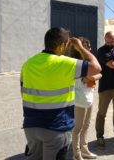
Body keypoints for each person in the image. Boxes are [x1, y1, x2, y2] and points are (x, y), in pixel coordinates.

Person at [21, 27, 101, 160]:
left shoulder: (28, 64)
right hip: (56, 128)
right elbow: (96, 67)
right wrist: (81, 47)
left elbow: (22, 92)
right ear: (62, 44)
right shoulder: (65, 63)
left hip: (31, 127)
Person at [67, 37, 102, 160]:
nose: (90, 49)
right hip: (78, 99)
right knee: (77, 128)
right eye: (87, 46)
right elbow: (97, 72)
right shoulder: (74, 63)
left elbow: (99, 72)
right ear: (79, 48)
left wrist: (92, 78)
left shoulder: (89, 63)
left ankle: (84, 149)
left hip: (89, 97)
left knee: (86, 125)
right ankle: (77, 154)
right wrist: (93, 76)